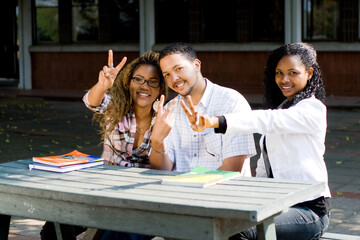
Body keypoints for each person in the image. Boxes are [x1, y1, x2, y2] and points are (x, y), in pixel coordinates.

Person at [182, 42, 331, 240]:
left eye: (293, 73)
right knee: (218, 220)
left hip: (309, 211)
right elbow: (263, 168)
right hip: (277, 205)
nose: (284, 79)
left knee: (238, 230)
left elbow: (266, 120)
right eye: (279, 73)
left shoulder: (313, 109)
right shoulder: (283, 109)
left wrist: (216, 121)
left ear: (309, 73)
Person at [40, 50, 171, 240]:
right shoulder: (116, 107)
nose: (145, 86)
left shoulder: (167, 118)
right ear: (129, 82)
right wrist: (102, 86)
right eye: (139, 79)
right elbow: (91, 102)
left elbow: (165, 169)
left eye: (153, 81)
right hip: (104, 192)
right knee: (54, 227)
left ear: (160, 88)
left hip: (142, 199)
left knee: (110, 236)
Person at [150, 42, 256, 174]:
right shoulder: (169, 110)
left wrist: (191, 187)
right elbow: (162, 170)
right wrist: (157, 141)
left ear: (196, 65)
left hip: (221, 192)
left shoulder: (231, 102)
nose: (174, 79)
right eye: (167, 74)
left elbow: (232, 168)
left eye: (178, 69)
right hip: (178, 190)